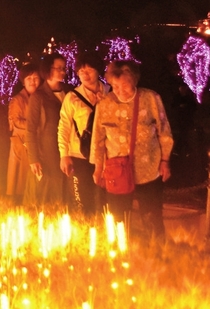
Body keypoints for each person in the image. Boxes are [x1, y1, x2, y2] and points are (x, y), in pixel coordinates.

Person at [91, 60, 173, 250]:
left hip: (148, 169)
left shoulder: (151, 98)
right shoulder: (105, 103)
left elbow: (164, 132)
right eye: (115, 85)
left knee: (151, 215)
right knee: (118, 215)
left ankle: (157, 252)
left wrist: (165, 160)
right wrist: (97, 168)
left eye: (124, 85)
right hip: (116, 172)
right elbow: (98, 139)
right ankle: (120, 252)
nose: (119, 90)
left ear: (134, 80)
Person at [58, 53, 109, 217]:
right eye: (81, 71)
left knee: (106, 198)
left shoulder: (111, 91)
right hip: (80, 154)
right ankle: (86, 228)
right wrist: (64, 155)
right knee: (83, 198)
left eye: (90, 70)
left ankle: (105, 229)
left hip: (106, 154)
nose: (85, 75)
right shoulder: (72, 97)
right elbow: (64, 126)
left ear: (98, 70)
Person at [25, 53, 70, 208]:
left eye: (64, 68)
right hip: (48, 151)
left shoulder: (69, 92)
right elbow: (30, 129)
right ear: (48, 69)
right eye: (59, 68)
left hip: (69, 148)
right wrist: (33, 158)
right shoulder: (38, 96)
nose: (63, 71)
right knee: (50, 191)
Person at [6, 63, 40, 204]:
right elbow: (16, 121)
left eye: (35, 78)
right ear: (23, 81)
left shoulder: (41, 97)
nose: (32, 81)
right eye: (29, 78)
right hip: (21, 142)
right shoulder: (18, 100)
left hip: (36, 141)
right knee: (20, 176)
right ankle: (18, 202)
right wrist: (36, 126)